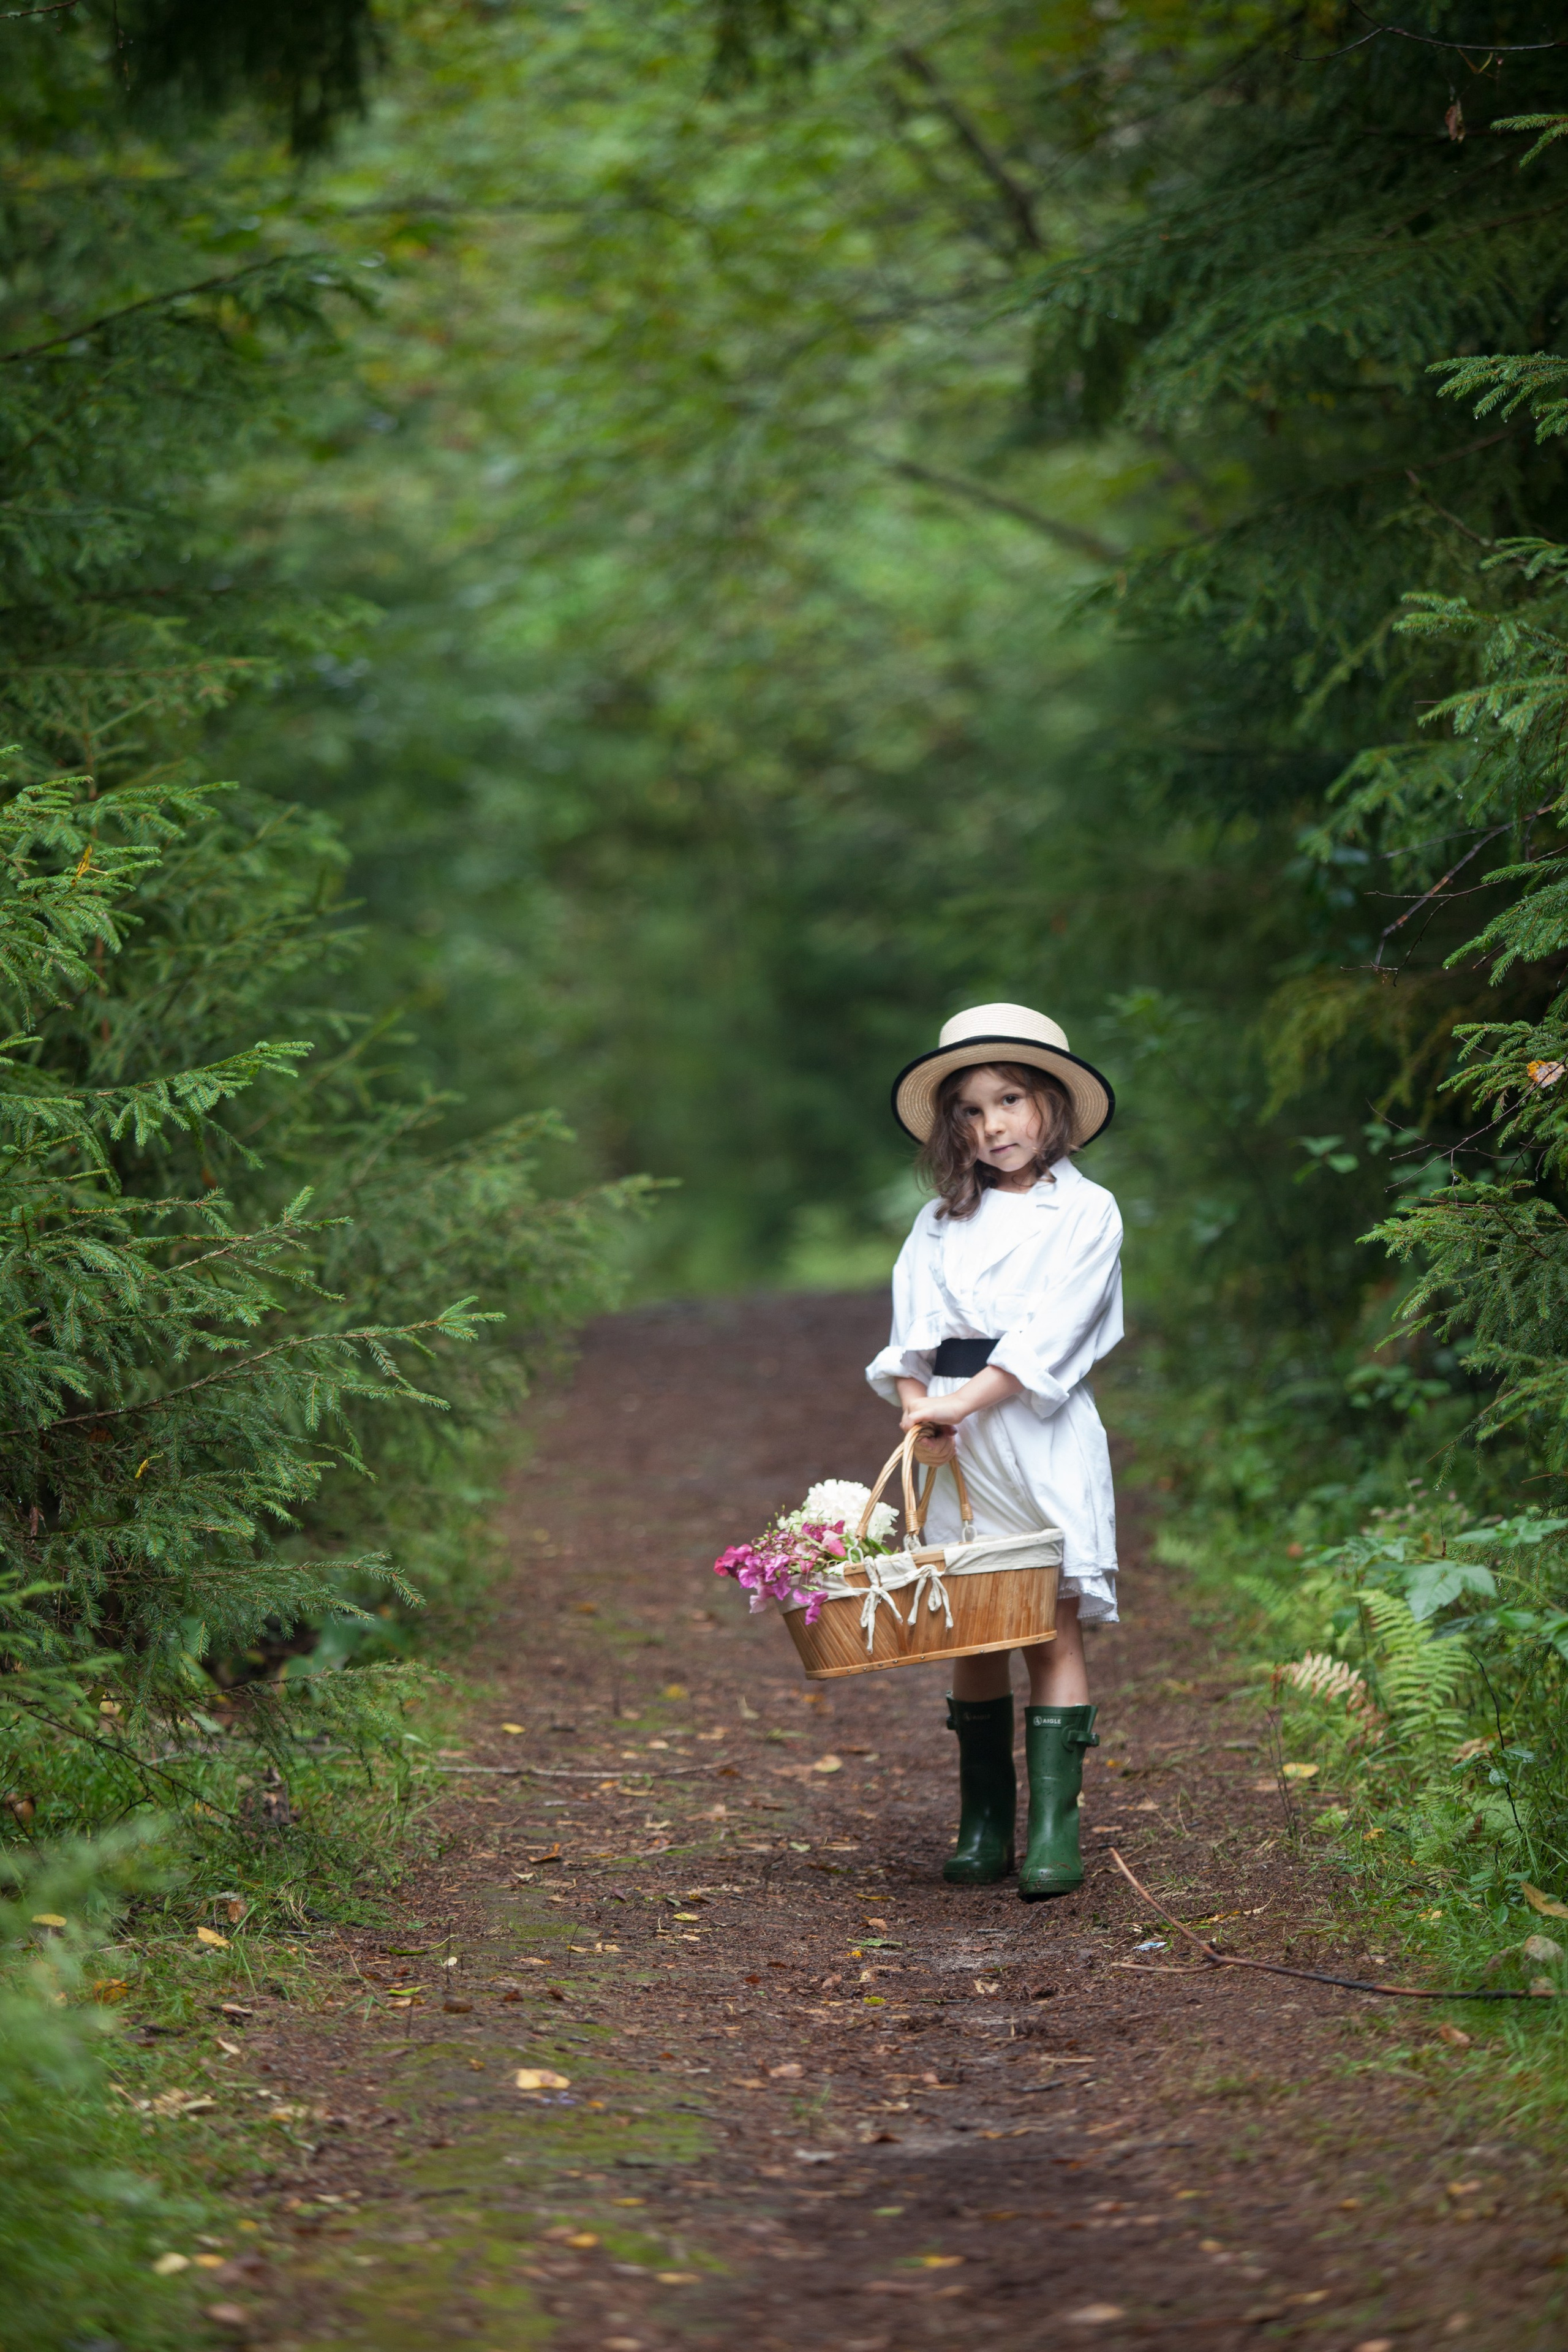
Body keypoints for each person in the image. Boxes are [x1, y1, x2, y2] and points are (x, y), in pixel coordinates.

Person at [866, 1003, 1123, 1900]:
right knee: (971, 1620)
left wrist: (961, 1401)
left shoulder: (1086, 1212)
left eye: (1010, 1100)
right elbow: (911, 1336)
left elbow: (1054, 1336)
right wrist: (920, 1410)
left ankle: (1054, 1830)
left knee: (1047, 1618)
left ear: (1052, 1101)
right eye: (971, 1111)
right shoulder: (941, 1219)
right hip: (953, 1444)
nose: (993, 1126)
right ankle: (982, 1823)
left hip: (1035, 1430)